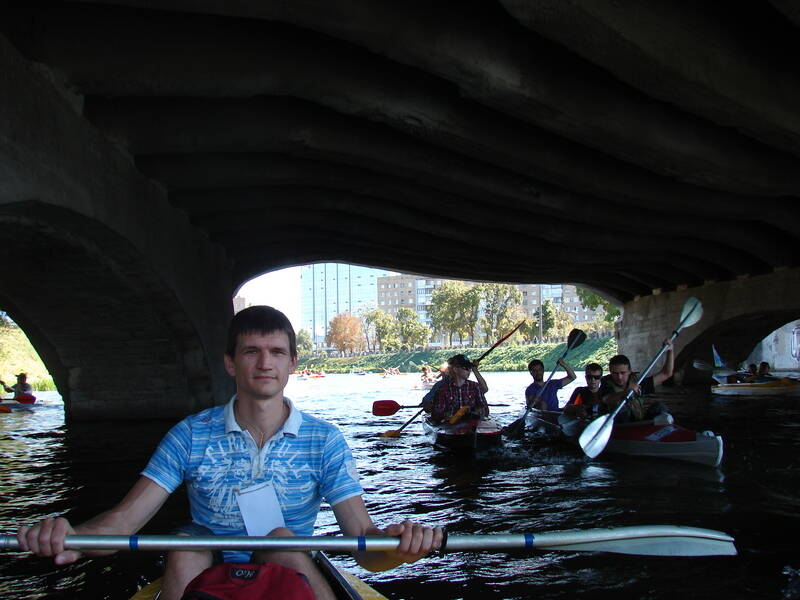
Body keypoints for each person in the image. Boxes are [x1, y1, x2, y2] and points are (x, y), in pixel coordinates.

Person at [16, 306, 442, 600]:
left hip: (286, 568)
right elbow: (125, 522)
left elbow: (362, 543)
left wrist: (400, 545)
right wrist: (74, 538)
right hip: (204, 570)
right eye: (251, 351)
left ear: (292, 363)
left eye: (276, 352)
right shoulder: (189, 434)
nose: (265, 363)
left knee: (280, 540)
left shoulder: (324, 440)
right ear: (230, 363)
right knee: (185, 544)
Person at [599, 341, 673, 423]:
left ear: (629, 371)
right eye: (615, 373)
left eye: (623, 373)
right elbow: (607, 399)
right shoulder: (605, 382)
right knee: (621, 408)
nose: (619, 377)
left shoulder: (637, 382)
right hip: (620, 423)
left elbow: (666, 374)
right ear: (610, 372)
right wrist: (627, 392)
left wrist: (670, 351)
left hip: (640, 421)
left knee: (660, 407)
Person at [421, 354, 488, 424]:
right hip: (450, 425)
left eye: (470, 368)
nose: (469, 370)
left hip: (471, 423)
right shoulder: (442, 388)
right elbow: (432, 408)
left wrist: (477, 412)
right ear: (455, 369)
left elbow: (484, 405)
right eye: (466, 367)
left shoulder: (475, 386)